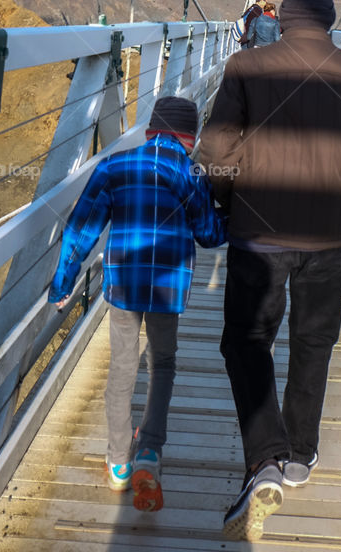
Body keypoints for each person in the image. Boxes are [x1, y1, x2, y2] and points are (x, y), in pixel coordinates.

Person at [199, 0, 341, 540]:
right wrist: (339, 181)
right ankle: (300, 455)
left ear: (283, 18)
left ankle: (263, 458)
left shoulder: (245, 68)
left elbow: (215, 149)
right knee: (314, 343)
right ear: (331, 20)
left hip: (257, 237)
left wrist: (226, 193)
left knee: (246, 341)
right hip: (330, 239)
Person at [48, 95, 226, 511]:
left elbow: (81, 228)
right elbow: (209, 234)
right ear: (190, 138)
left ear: (150, 131)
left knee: (123, 364)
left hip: (123, 285)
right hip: (168, 287)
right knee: (162, 363)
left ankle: (117, 463)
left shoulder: (113, 165)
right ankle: (149, 451)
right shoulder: (190, 173)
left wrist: (63, 285)